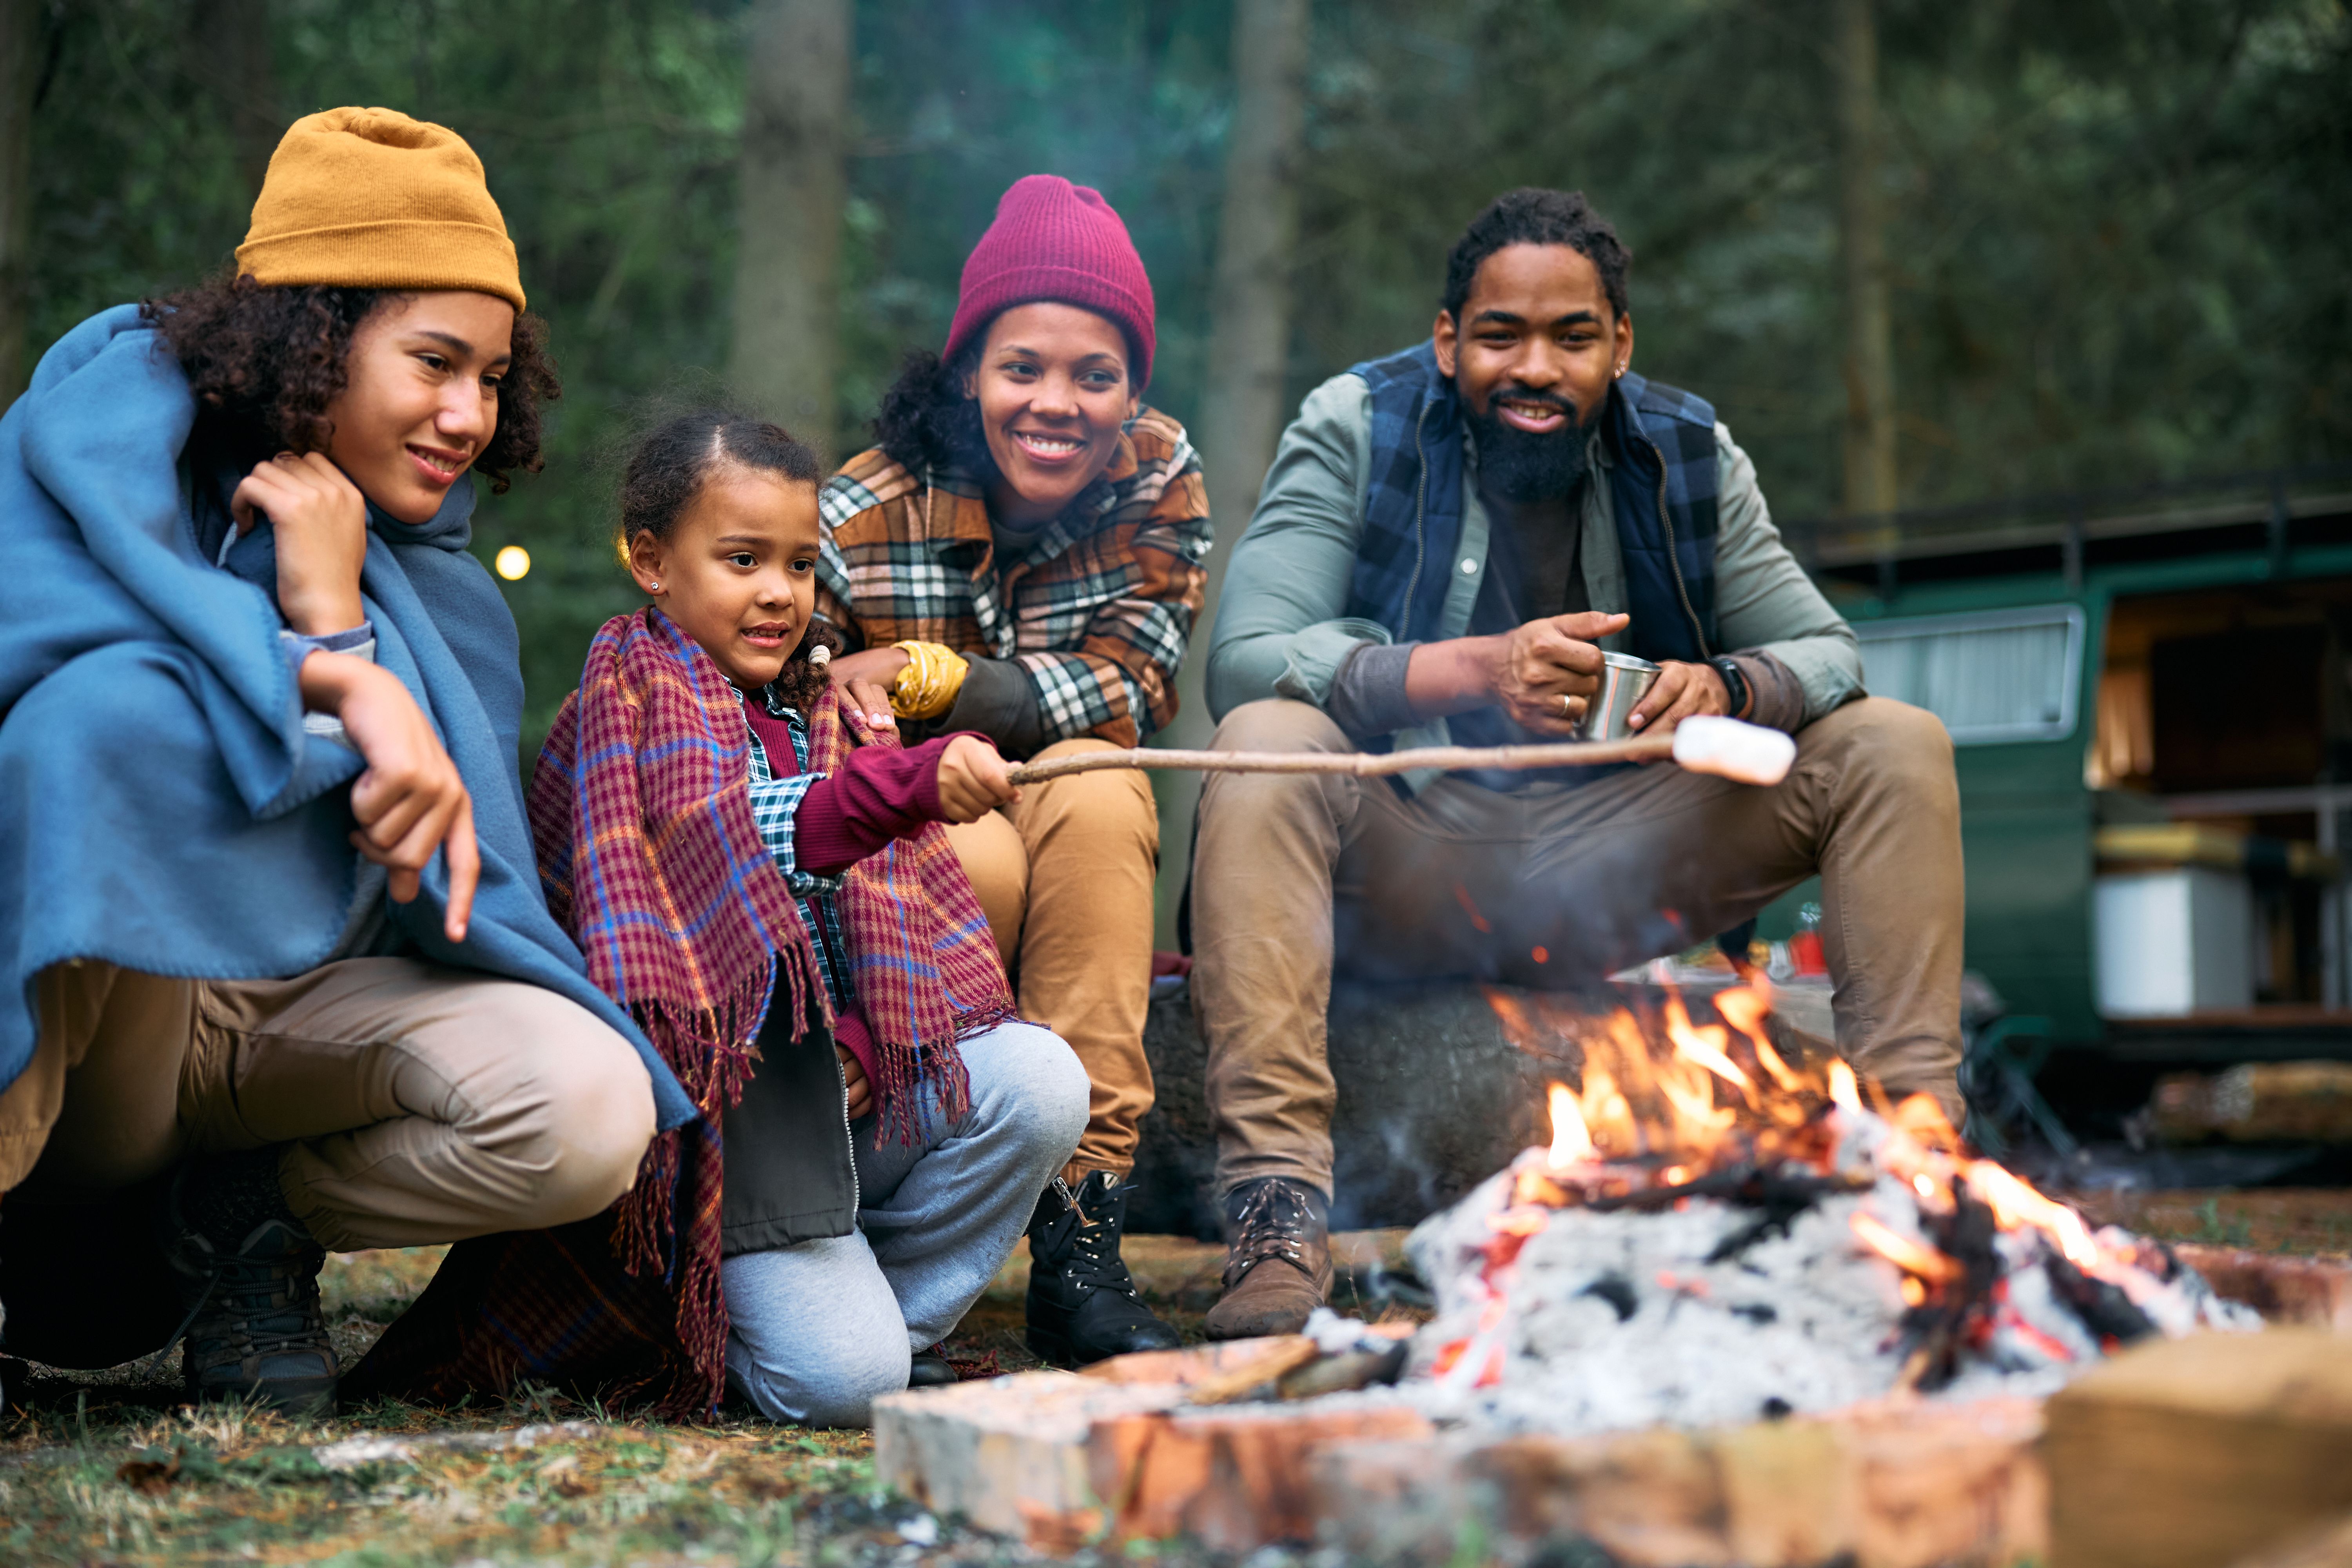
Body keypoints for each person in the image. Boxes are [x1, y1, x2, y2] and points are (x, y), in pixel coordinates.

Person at [0, 108, 685, 1414]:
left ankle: (251, 1218)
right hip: (108, 1013)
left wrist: (339, 613)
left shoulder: (442, 588)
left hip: (296, 1032)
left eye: (491, 376)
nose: (467, 413)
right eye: (434, 362)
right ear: (310, 337)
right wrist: (329, 675)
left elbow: (450, 896)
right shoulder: (99, 457)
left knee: (590, 1111)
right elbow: (53, 697)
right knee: (97, 737)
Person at [1191, 187, 1965, 1339]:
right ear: (1449, 339)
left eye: (1573, 337)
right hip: (1409, 848)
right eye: (1500, 336)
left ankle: (1922, 1181)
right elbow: (1245, 662)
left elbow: (1825, 650)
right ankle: (1277, 1209)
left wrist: (1731, 685)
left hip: (1617, 859)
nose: (1535, 368)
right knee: (1262, 745)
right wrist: (1467, 674)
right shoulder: (1359, 422)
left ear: (1621, 344)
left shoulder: (1687, 448)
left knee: (1893, 742)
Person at [350, 410, 1089, 1427]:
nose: (779, 592)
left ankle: (862, 1316)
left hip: (841, 1110)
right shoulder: (619, 707)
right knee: (842, 1386)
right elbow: (727, 840)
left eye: (798, 563)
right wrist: (905, 784)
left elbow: (900, 925)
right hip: (722, 1139)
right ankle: (754, 1332)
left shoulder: (829, 712)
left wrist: (868, 1035)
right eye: (742, 559)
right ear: (653, 561)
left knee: (1042, 1080)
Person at [815, 175, 1209, 1366]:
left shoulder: (1159, 476)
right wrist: (908, 728)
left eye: (1097, 375)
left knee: (1096, 780)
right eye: (1022, 367)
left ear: (1132, 388)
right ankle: (895, 1185)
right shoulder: (856, 514)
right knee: (987, 836)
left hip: (1075, 823)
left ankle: (1082, 1244)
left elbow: (1131, 689)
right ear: (967, 371)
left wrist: (939, 680)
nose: (1059, 404)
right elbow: (813, 733)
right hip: (904, 875)